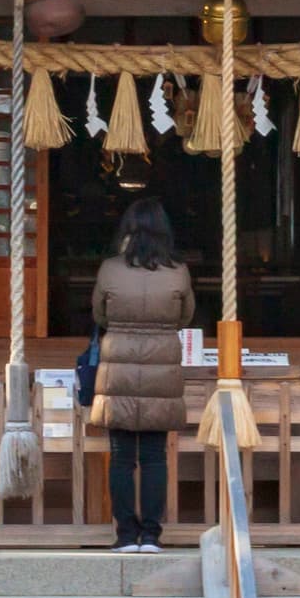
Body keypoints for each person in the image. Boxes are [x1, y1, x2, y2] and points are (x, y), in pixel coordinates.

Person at [90, 196, 194, 550]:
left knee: (121, 457)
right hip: (161, 364)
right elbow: (186, 316)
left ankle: (125, 536)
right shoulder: (178, 271)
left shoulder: (109, 268)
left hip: (117, 360)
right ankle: (151, 535)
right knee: (154, 457)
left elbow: (99, 315)